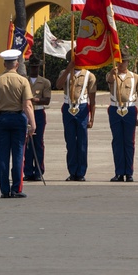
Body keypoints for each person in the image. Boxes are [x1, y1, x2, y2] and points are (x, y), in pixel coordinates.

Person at [0, 49, 35, 198]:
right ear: (17, 64)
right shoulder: (23, 81)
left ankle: (4, 191)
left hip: (1, 119)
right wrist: (33, 124)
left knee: (3, 156)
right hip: (18, 118)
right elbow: (27, 105)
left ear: (4, 64)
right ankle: (16, 189)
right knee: (19, 154)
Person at [56, 49, 97, 181]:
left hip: (82, 108)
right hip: (68, 107)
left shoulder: (89, 76)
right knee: (70, 142)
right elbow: (58, 85)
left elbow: (93, 99)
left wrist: (92, 118)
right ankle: (72, 171)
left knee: (82, 142)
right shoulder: (65, 73)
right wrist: (68, 69)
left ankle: (81, 172)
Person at [106, 47, 138, 182]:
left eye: (124, 61)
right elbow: (109, 81)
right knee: (117, 142)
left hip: (129, 110)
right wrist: (112, 72)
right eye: (119, 61)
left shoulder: (135, 78)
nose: (121, 64)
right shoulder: (112, 75)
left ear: (128, 62)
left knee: (129, 142)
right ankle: (118, 172)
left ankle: (129, 172)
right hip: (115, 109)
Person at [23, 59, 51, 181]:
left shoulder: (44, 82)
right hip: (26, 112)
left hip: (38, 112)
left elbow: (47, 100)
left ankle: (39, 170)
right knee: (27, 143)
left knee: (38, 142)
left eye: (36, 67)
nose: (34, 69)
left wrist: (32, 100)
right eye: (32, 67)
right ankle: (28, 171)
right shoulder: (24, 81)